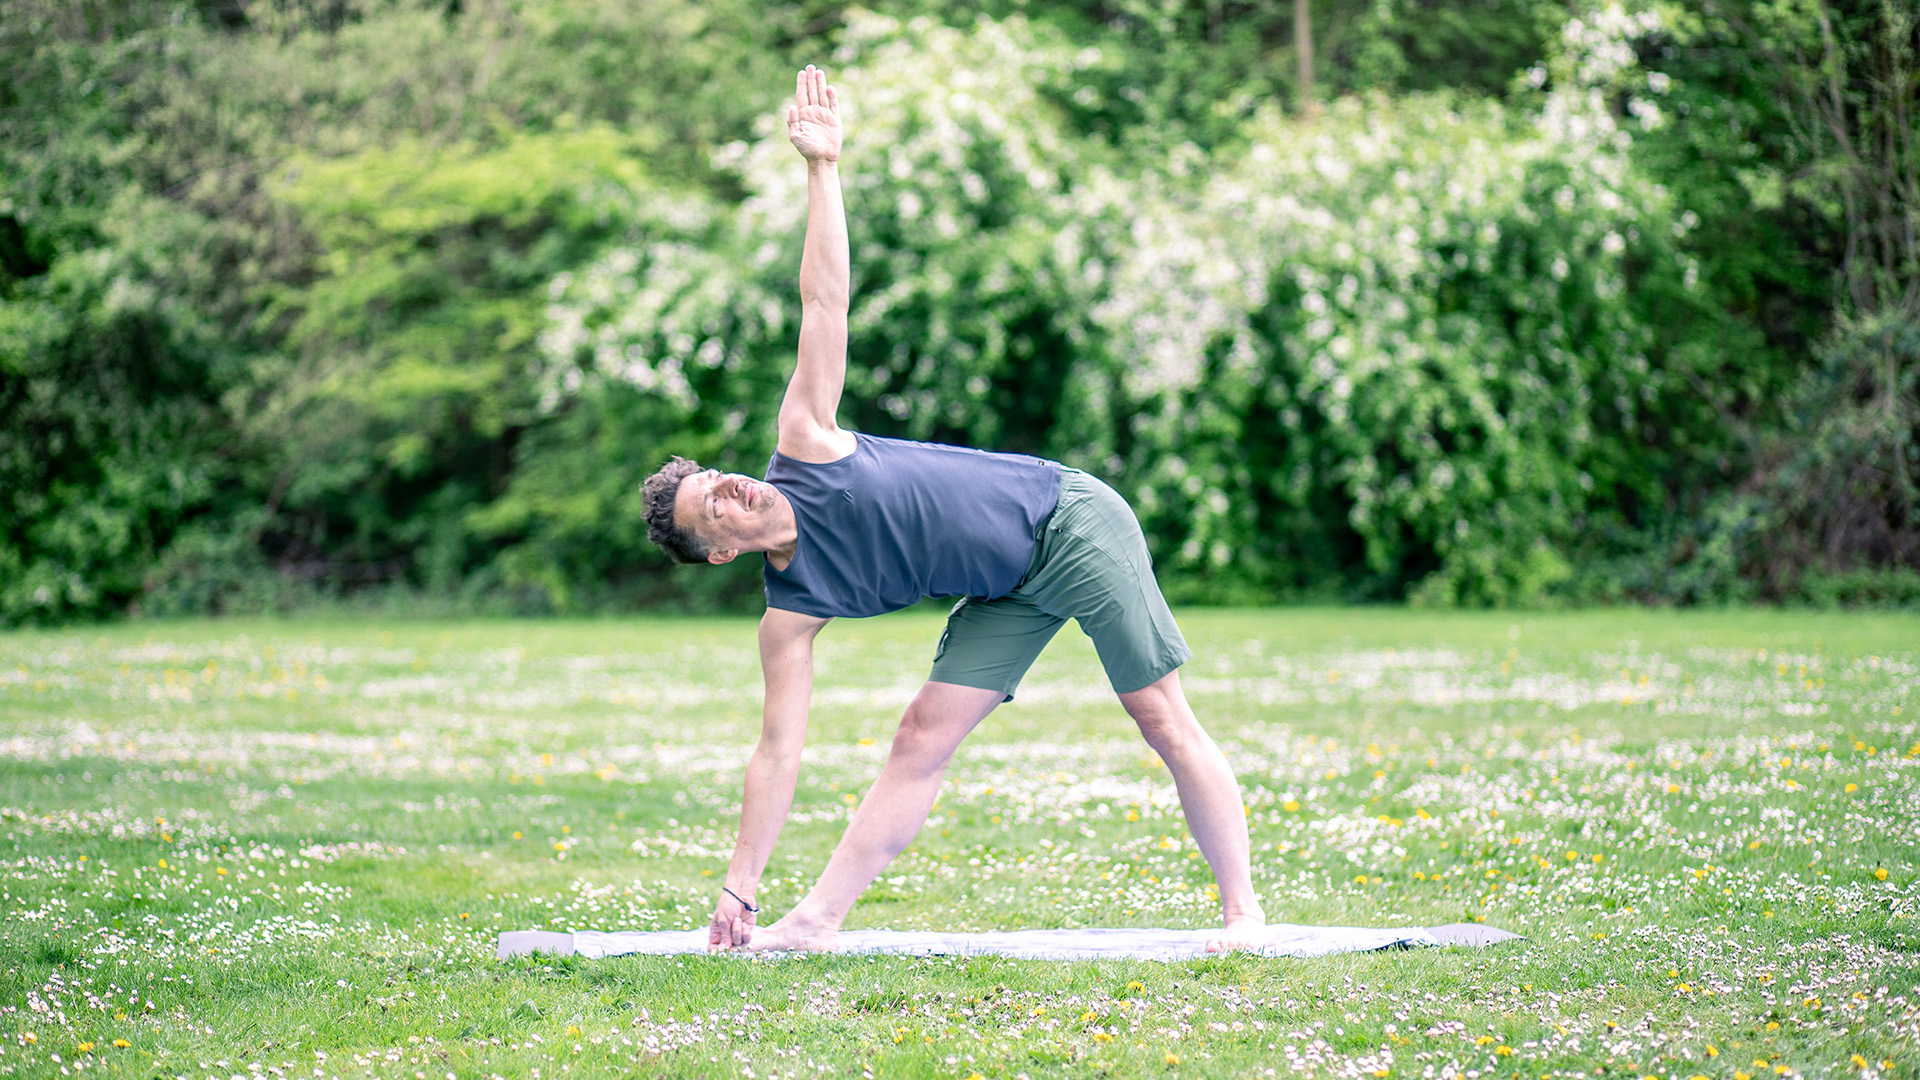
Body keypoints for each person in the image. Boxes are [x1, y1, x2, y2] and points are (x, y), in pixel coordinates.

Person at [640, 65, 1267, 953]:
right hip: (1006, 585)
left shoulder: (806, 436)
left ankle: (1243, 916)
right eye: (715, 506)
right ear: (717, 553)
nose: (732, 486)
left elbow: (825, 300)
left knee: (1158, 713)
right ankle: (813, 921)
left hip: (1070, 523)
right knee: (920, 735)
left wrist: (823, 170)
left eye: (718, 476)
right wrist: (737, 889)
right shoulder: (790, 616)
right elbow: (776, 753)